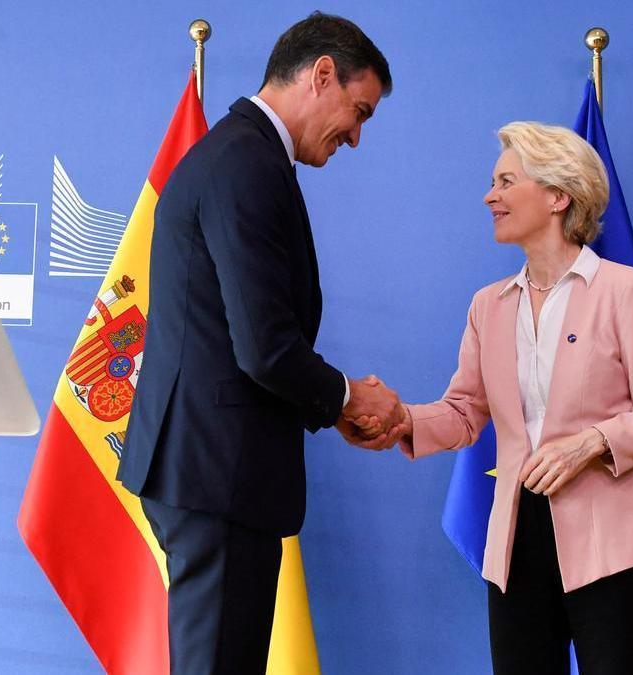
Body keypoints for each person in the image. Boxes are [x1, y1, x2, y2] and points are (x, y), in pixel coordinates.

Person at [345, 121, 633, 674]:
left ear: (558, 196)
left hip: (617, 546)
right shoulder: (489, 306)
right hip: (516, 543)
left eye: (506, 181)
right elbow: (464, 411)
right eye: (493, 182)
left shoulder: (628, 291)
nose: (490, 195)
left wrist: (592, 443)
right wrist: (400, 420)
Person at [118, 13, 405, 673]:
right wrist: (346, 396)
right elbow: (264, 344)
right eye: (358, 111)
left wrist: (334, 406)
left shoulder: (245, 155)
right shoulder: (246, 162)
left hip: (215, 469)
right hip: (217, 472)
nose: (356, 137)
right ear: (322, 74)